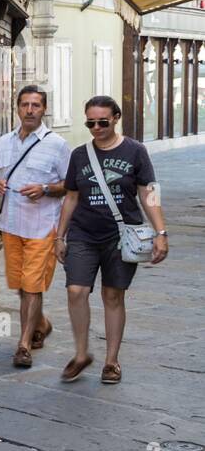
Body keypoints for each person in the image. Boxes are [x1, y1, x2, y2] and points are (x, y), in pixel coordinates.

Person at [54, 95, 168, 385]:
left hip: (121, 236)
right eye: (90, 122)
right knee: (76, 291)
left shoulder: (135, 151)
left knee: (113, 296)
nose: (96, 127)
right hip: (83, 233)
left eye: (102, 122)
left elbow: (148, 192)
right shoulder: (80, 155)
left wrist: (161, 232)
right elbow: (71, 197)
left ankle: (111, 361)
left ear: (116, 118)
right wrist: (60, 236)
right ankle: (81, 354)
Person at [0, 85, 71, 368]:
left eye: (36, 105)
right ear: (17, 108)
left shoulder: (56, 144)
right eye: (25, 105)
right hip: (11, 225)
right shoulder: (4, 142)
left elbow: (70, 187)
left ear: (44, 109)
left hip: (42, 226)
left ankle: (23, 344)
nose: (30, 110)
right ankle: (42, 324)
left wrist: (46, 188)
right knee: (21, 285)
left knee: (32, 286)